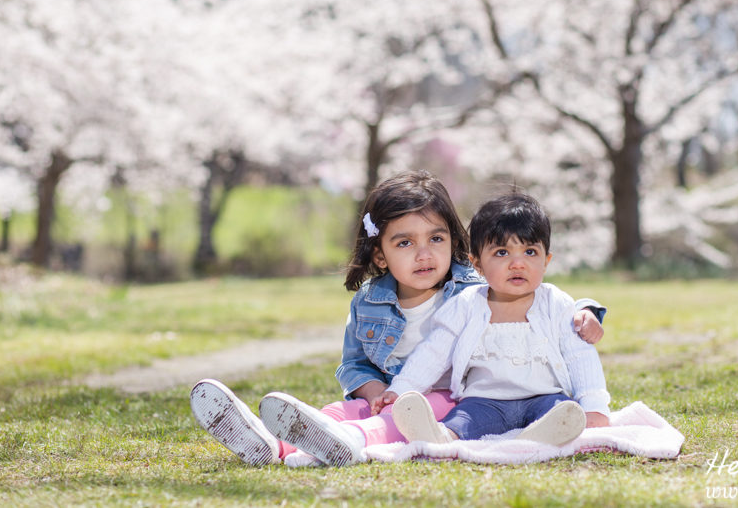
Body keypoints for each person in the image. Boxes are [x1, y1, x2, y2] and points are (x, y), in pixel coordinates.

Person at [190, 171, 606, 466]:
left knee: (396, 418)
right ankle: (272, 443)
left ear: (456, 244)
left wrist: (588, 310)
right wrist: (374, 393)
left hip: (443, 399)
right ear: (379, 254)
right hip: (389, 392)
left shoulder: (468, 291)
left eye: (436, 239)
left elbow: (534, 293)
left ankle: (350, 442)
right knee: (341, 409)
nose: (424, 254)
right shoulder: (369, 302)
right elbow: (354, 364)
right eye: (405, 242)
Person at [374, 192, 610, 447]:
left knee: (563, 412)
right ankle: (440, 436)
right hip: (484, 401)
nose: (517, 263)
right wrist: (402, 388)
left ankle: (543, 434)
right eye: (501, 253)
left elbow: (580, 356)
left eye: (530, 251)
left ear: (546, 261)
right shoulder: (466, 305)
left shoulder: (556, 303)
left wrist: (594, 405)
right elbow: (433, 352)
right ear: (477, 264)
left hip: (544, 397)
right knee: (462, 420)